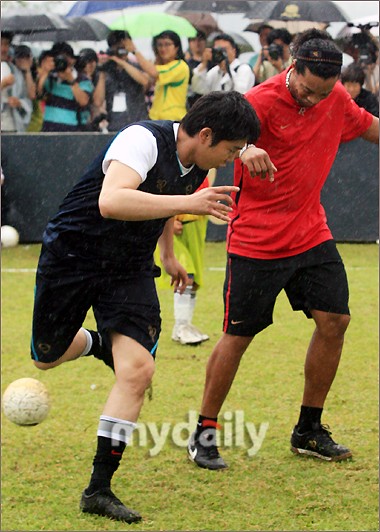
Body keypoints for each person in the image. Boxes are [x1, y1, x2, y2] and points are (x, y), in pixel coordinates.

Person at [30, 91, 261, 523]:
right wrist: (187, 204)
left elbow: (160, 209)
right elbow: (112, 201)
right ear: (205, 134)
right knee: (46, 357)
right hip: (73, 256)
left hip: (128, 268)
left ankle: (99, 489)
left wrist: (168, 254)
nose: (230, 159)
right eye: (230, 150)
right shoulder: (141, 139)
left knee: (138, 369)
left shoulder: (198, 164)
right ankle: (100, 343)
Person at [187, 29, 379, 471]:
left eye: (324, 92)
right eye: (308, 89)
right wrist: (249, 147)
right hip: (256, 239)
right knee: (238, 336)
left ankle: (308, 429)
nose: (314, 99)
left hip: (311, 232)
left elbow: (369, 128)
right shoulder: (258, 100)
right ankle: (205, 432)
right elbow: (217, 139)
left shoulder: (333, 99)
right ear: (293, 69)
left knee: (336, 321)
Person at [129, 30, 190, 121]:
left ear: (177, 47)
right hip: (156, 118)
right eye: (160, 45)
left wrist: (134, 50)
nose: (163, 48)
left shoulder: (180, 65)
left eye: (167, 44)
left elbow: (153, 72)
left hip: (172, 119)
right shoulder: (161, 66)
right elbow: (146, 80)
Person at [37, 42, 94, 132]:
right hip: (49, 129)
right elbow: (39, 94)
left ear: (72, 60)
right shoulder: (51, 78)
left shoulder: (82, 80)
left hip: (72, 130)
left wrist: (71, 80)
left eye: (64, 58)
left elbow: (83, 101)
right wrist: (45, 72)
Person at [99, 30, 149, 131]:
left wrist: (123, 63)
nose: (122, 51)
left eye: (124, 48)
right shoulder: (106, 71)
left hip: (137, 123)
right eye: (118, 48)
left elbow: (144, 81)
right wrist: (102, 72)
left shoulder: (135, 67)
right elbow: (98, 101)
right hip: (115, 124)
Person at [190, 32, 255, 95]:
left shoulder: (243, 69)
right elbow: (199, 89)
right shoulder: (216, 70)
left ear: (233, 51)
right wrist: (204, 64)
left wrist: (227, 69)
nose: (220, 53)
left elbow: (240, 92)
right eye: (217, 50)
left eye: (224, 49)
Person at [1, 34, 33, 132]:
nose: (3, 48)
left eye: (6, 44)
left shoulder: (14, 71)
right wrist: (3, 84)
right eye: (0, 43)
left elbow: (28, 97)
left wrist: (19, 103)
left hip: (11, 127)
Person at [185, 29, 207, 109]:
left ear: (205, 42)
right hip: (192, 104)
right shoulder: (186, 64)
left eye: (200, 40)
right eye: (194, 40)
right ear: (189, 43)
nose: (197, 43)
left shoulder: (213, 63)